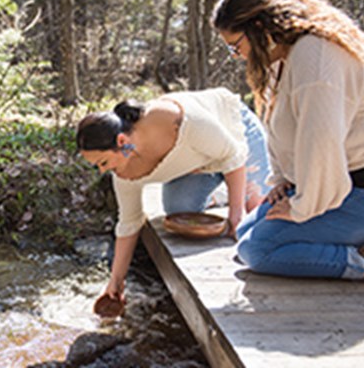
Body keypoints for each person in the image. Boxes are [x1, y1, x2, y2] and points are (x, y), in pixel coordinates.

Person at [211, 0, 364, 280]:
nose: (238, 56)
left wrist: (303, 206)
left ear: (258, 27)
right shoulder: (285, 56)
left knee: (257, 250)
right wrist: (284, 180)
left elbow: (322, 143)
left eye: (236, 46)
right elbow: (285, 128)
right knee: (245, 231)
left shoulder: (315, 58)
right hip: (337, 186)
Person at [76, 87, 271, 302]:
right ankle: (221, 191)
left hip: (235, 135)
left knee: (255, 214)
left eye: (103, 162)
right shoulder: (123, 171)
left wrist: (236, 216)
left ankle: (236, 191)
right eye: (97, 166)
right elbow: (129, 224)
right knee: (179, 210)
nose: (103, 171)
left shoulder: (180, 120)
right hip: (199, 161)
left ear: (121, 142)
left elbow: (233, 156)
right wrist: (116, 280)